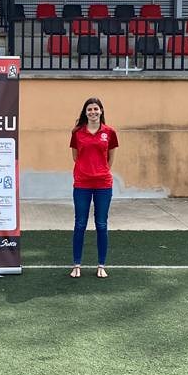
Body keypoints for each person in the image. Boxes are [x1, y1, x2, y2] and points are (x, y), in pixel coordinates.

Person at [69, 97, 118, 279]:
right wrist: (87, 170)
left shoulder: (109, 132)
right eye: (89, 109)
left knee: (101, 224)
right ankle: (76, 265)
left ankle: (101, 265)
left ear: (101, 111)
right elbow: (76, 157)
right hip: (82, 183)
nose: (93, 112)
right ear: (85, 112)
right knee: (80, 224)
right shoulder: (77, 132)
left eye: (96, 109)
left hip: (103, 184)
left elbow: (110, 158)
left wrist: (100, 171)